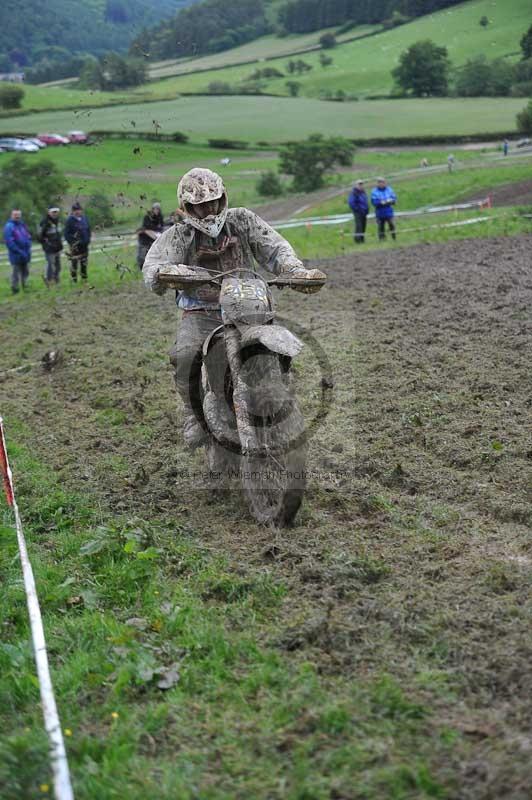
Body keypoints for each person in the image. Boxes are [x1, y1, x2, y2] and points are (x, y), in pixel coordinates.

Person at [143, 167, 325, 448]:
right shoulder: (179, 236)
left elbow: (275, 248)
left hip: (249, 309)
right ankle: (195, 415)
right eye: (200, 205)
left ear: (222, 198)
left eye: (213, 202)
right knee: (184, 355)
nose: (208, 210)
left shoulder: (242, 220)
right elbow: (153, 266)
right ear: (188, 207)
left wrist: (295, 270)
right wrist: (165, 273)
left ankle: (282, 400)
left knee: (277, 349)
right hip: (201, 312)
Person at [3, 208, 32, 294]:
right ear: (11, 215)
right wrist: (19, 251)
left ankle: (25, 287)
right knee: (15, 273)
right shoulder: (9, 226)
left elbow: (28, 236)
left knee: (26, 271)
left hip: (26, 253)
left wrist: (28, 246)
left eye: (19, 214)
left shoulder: (22, 225)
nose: (17, 216)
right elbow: (9, 242)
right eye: (15, 214)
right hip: (15, 254)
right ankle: (15, 289)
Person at [64, 202, 91, 282]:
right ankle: (74, 279)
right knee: (74, 264)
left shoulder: (84, 218)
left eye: (78, 210)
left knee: (84, 263)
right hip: (75, 247)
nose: (77, 212)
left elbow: (88, 230)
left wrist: (88, 239)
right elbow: (66, 234)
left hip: (84, 245)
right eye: (75, 210)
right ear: (72, 211)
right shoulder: (69, 221)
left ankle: (84, 278)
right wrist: (73, 243)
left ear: (81, 210)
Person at [38, 206, 63, 286]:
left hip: (57, 247)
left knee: (58, 266)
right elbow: (40, 236)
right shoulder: (45, 222)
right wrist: (47, 244)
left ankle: (56, 280)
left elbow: (58, 234)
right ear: (49, 212)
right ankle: (49, 281)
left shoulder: (57, 221)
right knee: (50, 265)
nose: (55, 213)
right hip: (49, 248)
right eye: (53, 212)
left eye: (56, 212)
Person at [137, 201, 164, 270]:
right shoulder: (147, 217)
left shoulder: (160, 216)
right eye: (155, 209)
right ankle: (142, 265)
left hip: (155, 234)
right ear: (153, 209)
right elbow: (146, 226)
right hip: (145, 236)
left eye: (158, 209)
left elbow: (161, 226)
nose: (157, 211)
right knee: (143, 252)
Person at [370, 177, 397, 242]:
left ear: (385, 183)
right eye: (380, 182)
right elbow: (374, 202)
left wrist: (391, 201)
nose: (381, 184)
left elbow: (394, 198)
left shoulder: (389, 189)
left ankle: (394, 237)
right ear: (377, 183)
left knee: (391, 224)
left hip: (388, 211)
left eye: (383, 182)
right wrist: (381, 202)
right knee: (381, 226)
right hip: (380, 212)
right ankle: (382, 240)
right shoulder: (374, 191)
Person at [347, 179, 369, 244]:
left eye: (362, 184)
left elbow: (365, 202)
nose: (361, 186)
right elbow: (351, 203)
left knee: (363, 226)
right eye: (359, 184)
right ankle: (357, 240)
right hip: (358, 212)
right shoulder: (354, 193)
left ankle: (362, 240)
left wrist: (367, 209)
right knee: (359, 226)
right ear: (356, 185)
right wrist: (357, 209)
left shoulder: (363, 192)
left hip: (364, 212)